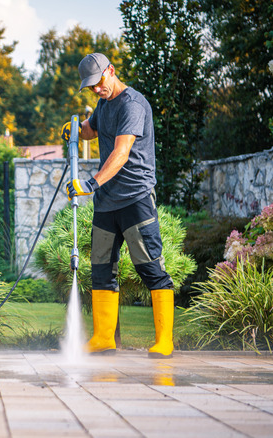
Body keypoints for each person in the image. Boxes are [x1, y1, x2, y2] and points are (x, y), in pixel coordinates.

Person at [61, 53, 175, 359]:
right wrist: (75, 129)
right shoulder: (104, 104)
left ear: (111, 71)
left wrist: (91, 183)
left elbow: (122, 151)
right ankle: (103, 338)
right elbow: (91, 128)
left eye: (98, 83)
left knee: (151, 268)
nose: (96, 90)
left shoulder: (132, 104)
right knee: (100, 269)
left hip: (135, 198)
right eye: (91, 88)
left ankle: (165, 341)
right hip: (107, 203)